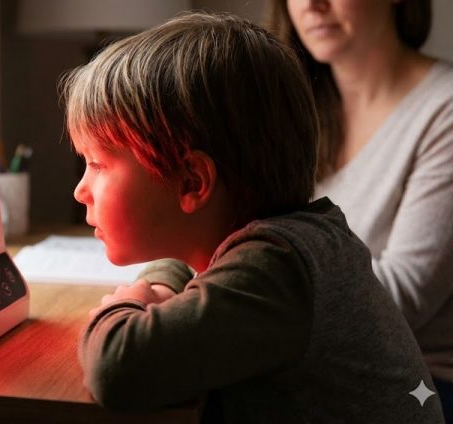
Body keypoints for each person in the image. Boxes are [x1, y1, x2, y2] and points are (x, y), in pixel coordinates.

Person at [60, 11, 443, 422]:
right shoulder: (295, 240)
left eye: (97, 164)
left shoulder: (276, 270)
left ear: (192, 183)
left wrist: (128, 302)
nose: (80, 190)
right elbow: (187, 267)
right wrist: (161, 280)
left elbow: (117, 368)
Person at [269, 0, 453, 420]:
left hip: (420, 387)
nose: (312, 5)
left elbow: (400, 300)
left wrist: (243, 295)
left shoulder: (444, 109)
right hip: (317, 368)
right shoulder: (296, 109)